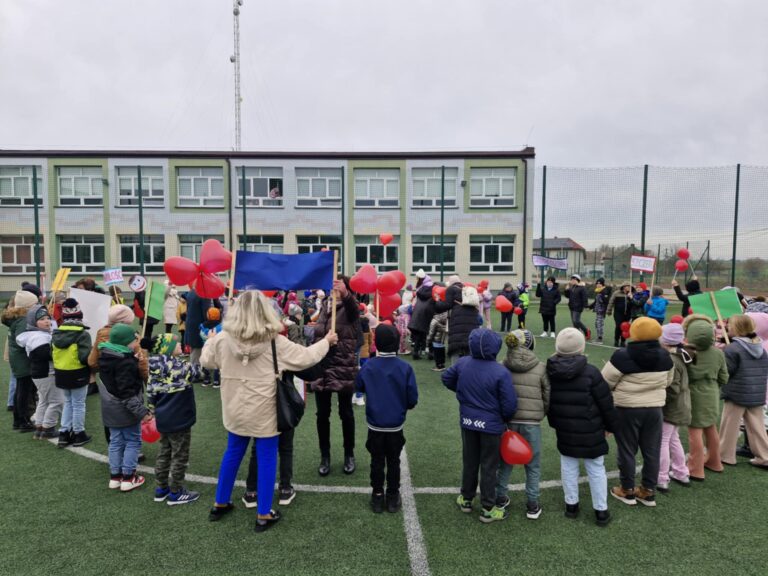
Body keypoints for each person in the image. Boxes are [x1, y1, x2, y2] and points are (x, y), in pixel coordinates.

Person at [202, 290, 336, 532]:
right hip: (264, 410)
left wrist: (211, 340)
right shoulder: (275, 341)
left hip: (233, 408)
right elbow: (306, 357)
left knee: (232, 452)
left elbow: (206, 362)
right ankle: (263, 513)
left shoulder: (222, 340)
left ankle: (220, 502)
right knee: (266, 457)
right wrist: (326, 341)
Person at [442, 328, 517, 523]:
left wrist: (464, 394)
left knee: (470, 461)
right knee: (489, 466)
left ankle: (466, 499)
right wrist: (502, 418)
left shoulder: (463, 363)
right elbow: (509, 405)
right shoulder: (501, 371)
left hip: (468, 422)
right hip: (491, 427)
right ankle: (488, 508)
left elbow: (447, 378)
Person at [546, 328, 617, 527]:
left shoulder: (550, 372)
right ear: (581, 347)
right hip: (591, 429)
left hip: (565, 428)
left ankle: (572, 506)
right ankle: (600, 511)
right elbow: (606, 403)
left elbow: (548, 402)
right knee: (595, 468)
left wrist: (556, 423)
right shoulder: (592, 372)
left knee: (568, 466)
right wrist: (611, 426)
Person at [602, 318, 673, 507]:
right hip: (654, 409)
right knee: (652, 450)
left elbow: (605, 382)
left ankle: (627, 489)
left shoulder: (622, 356)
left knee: (627, 449)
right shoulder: (666, 356)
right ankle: (648, 490)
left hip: (627, 410)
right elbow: (668, 381)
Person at [355, 323, 418, 513]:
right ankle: (392, 495)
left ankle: (377, 495)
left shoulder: (369, 367)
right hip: (395, 424)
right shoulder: (405, 368)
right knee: (393, 460)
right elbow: (412, 399)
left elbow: (359, 387)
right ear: (397, 342)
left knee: (376, 460)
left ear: (376, 342)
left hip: (375, 424)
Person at [308, 277, 361, 477]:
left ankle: (349, 454)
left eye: (338, 286)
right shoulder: (323, 306)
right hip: (322, 366)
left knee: (346, 413)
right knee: (322, 415)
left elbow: (354, 310)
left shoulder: (350, 307)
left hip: (342, 367)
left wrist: (346, 294)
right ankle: (325, 456)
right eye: (333, 287)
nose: (334, 290)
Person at [496, 330, 549, 520]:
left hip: (508, 423)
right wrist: (541, 413)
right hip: (531, 423)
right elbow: (547, 395)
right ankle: (532, 504)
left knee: (505, 462)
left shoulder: (502, 366)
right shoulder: (541, 367)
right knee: (533, 465)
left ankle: (500, 498)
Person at [144, 333, 201, 505]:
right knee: (180, 455)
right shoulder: (181, 367)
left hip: (163, 418)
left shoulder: (152, 367)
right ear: (166, 348)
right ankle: (176, 491)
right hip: (180, 418)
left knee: (164, 452)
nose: (180, 346)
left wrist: (152, 411)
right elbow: (200, 373)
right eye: (175, 345)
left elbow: (150, 394)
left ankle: (161, 488)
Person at [97, 324, 152, 492]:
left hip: (109, 409)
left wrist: (133, 359)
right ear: (127, 342)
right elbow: (126, 392)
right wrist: (142, 412)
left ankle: (115, 476)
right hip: (125, 410)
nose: (138, 341)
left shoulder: (107, 356)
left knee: (115, 442)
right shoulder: (124, 362)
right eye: (135, 339)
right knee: (132, 442)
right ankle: (129, 477)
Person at [719, 315, 768, 469]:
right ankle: (765, 456)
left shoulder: (733, 349)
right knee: (758, 427)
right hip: (756, 391)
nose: (728, 328)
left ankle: (725, 455)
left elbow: (727, 372)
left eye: (731, 325)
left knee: (729, 426)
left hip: (737, 393)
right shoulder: (760, 346)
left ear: (737, 329)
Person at [684, 314, 728, 481]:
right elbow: (724, 377)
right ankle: (715, 462)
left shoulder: (687, 353)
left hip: (694, 394)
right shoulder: (718, 353)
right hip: (712, 393)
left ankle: (696, 469)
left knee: (694, 432)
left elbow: (685, 375)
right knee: (711, 428)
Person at [16, 305, 64, 439]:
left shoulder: (36, 335)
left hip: (40, 374)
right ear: (33, 322)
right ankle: (48, 428)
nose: (47, 321)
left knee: (44, 401)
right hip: (46, 373)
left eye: (48, 318)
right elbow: (46, 355)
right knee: (56, 401)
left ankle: (40, 427)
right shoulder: (39, 337)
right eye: (42, 319)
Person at [52, 298, 93, 448]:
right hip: (78, 372)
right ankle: (78, 433)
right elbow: (84, 357)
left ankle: (64, 433)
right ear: (79, 317)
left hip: (61, 372)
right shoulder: (83, 335)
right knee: (78, 404)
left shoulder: (56, 334)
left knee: (68, 403)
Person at [657, 323, 693, 491]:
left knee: (663, 441)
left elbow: (672, 388)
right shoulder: (682, 354)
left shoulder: (671, 359)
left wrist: (660, 400)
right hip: (682, 404)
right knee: (673, 439)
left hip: (673, 406)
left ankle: (662, 477)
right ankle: (681, 472)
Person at [2, 289, 40, 432]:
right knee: (25, 391)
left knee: (21, 389)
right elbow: (23, 340)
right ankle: (23, 420)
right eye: (35, 304)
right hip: (23, 360)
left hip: (18, 360)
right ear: (27, 307)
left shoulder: (16, 318)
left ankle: (18, 420)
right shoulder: (23, 321)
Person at [446, 286, 483, 365]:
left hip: (456, 337)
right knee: (469, 355)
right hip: (470, 337)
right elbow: (480, 321)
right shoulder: (475, 309)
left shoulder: (455, 306)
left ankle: (455, 372)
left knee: (455, 354)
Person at [184, 289, 211, 377]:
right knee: (197, 351)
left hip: (191, 324)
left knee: (194, 350)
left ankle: (195, 371)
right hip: (199, 326)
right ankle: (196, 374)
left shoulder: (192, 292)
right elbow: (206, 313)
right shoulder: (204, 294)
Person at [407, 273, 435, 360]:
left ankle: (416, 352)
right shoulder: (432, 290)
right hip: (428, 313)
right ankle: (431, 353)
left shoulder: (421, 290)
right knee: (431, 334)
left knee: (419, 335)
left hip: (418, 313)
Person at [199, 307, 223, 388]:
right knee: (216, 363)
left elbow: (201, 334)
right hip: (216, 348)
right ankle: (216, 381)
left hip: (205, 347)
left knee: (205, 362)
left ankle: (206, 380)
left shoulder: (202, 326)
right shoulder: (220, 327)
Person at [606, 283, 632, 348]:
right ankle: (616, 340)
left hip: (628, 314)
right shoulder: (616, 293)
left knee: (625, 327)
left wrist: (631, 297)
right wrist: (609, 310)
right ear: (623, 287)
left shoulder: (632, 293)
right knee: (618, 326)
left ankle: (623, 341)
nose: (628, 287)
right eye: (627, 286)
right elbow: (611, 301)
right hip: (618, 313)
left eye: (629, 286)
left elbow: (634, 303)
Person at [589, 278, 612, 345]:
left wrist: (605, 311)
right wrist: (590, 307)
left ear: (602, 284)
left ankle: (599, 339)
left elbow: (606, 302)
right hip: (598, 311)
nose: (598, 285)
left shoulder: (604, 291)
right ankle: (599, 336)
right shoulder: (599, 291)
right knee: (597, 324)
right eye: (597, 283)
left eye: (600, 283)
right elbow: (596, 302)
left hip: (601, 311)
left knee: (599, 324)